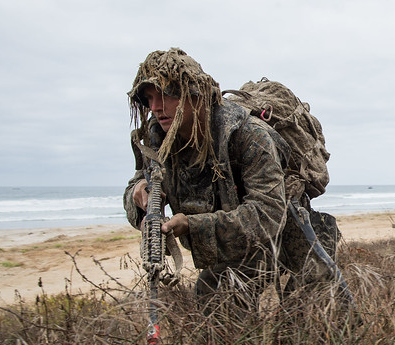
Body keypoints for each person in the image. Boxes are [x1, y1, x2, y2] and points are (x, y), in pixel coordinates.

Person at [123, 48, 341, 313]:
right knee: (217, 296)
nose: (156, 107)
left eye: (167, 94)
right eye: (149, 98)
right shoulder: (159, 138)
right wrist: (140, 195)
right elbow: (139, 182)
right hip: (234, 238)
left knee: (317, 310)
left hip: (285, 226)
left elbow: (267, 215)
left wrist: (191, 225)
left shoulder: (249, 136)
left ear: (196, 93)